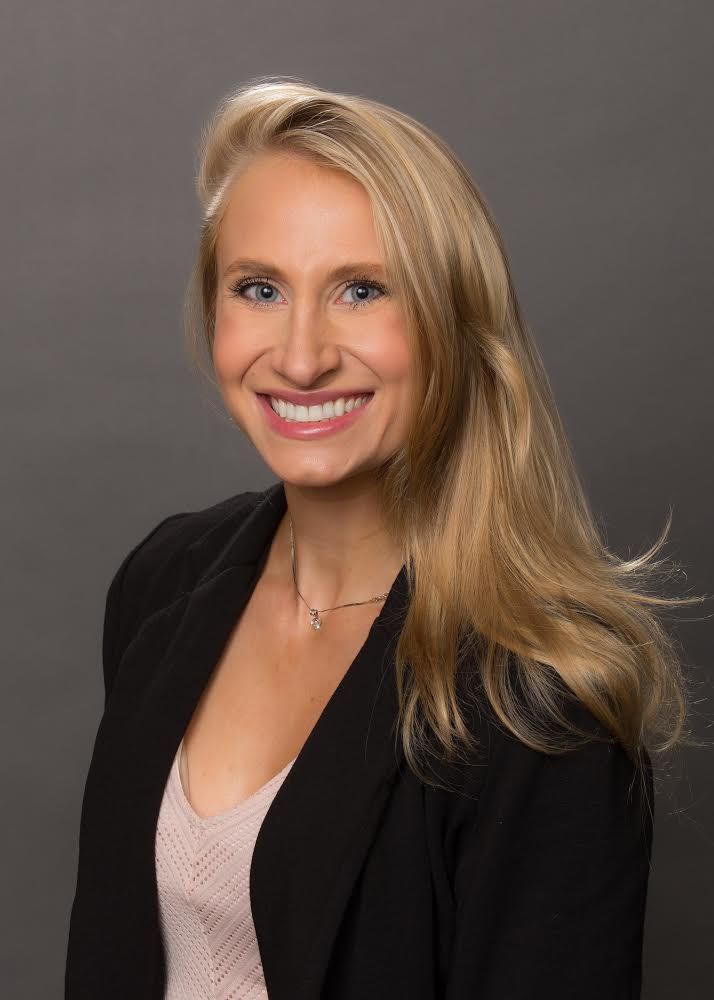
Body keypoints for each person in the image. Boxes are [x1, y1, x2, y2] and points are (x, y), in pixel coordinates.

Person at [65, 75, 698, 999]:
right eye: (260, 288)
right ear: (214, 314)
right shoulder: (162, 583)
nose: (302, 354)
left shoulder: (541, 700)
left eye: (361, 290)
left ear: (451, 321)